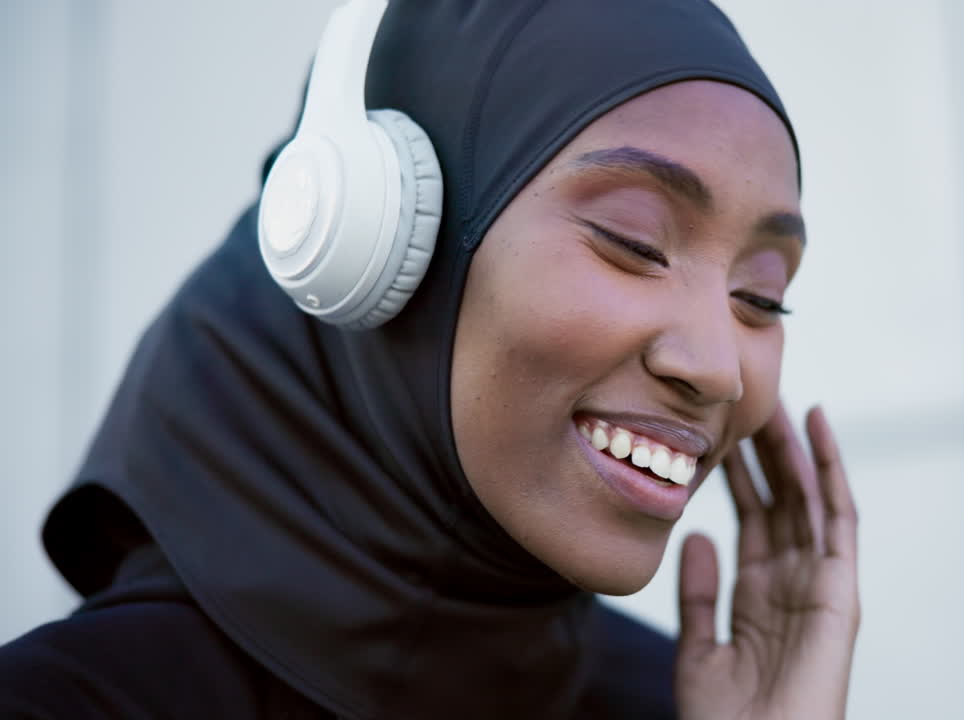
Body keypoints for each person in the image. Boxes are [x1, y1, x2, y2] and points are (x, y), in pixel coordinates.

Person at [0, 0, 860, 717]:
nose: (718, 368)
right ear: (376, 242)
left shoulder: (690, 703)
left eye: (760, 296)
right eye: (634, 241)